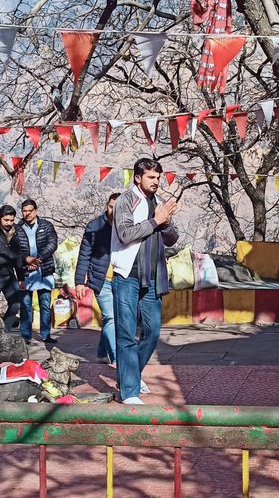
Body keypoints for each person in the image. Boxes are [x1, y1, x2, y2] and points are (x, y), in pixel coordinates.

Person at [111, 158, 180, 404]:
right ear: (138, 178)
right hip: (127, 276)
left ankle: (130, 374)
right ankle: (129, 391)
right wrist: (155, 221)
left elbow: (172, 239)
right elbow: (126, 233)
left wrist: (166, 222)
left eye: (158, 178)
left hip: (152, 278)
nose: (156, 182)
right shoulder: (125, 201)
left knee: (152, 332)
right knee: (126, 333)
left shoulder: (159, 203)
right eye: (151, 177)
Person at [76, 193, 120, 363]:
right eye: (110, 207)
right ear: (106, 205)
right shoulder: (94, 227)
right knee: (110, 317)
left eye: (117, 208)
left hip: (122, 279)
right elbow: (84, 254)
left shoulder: (126, 226)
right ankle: (116, 358)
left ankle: (102, 351)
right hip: (101, 280)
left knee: (113, 317)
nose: (113, 211)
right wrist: (80, 281)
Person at [15, 198, 59, 344]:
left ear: (35, 211)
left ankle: (46, 334)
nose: (27, 214)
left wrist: (38, 259)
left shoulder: (46, 226)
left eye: (30, 211)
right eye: (24, 211)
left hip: (44, 271)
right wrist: (26, 259)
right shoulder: (17, 228)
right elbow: (14, 250)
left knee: (45, 304)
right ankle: (25, 335)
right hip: (25, 271)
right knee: (26, 305)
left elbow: (52, 244)